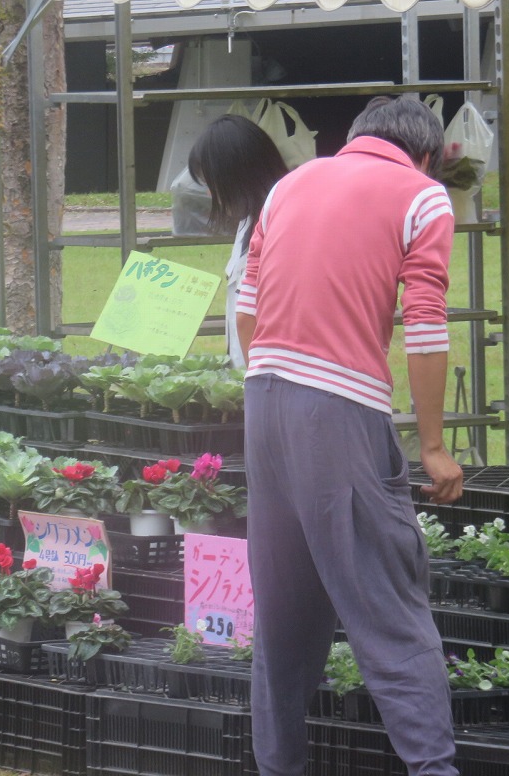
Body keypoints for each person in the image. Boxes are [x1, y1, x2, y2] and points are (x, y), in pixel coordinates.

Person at [236, 95, 464, 776]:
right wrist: (432, 446)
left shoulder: (290, 185)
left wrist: (277, 381)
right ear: (425, 155)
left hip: (264, 402)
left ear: (357, 139)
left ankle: (279, 767)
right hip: (339, 410)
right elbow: (425, 321)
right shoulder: (424, 198)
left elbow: (247, 306)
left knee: (282, 619)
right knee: (389, 606)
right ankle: (434, 770)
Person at [187, 114, 290, 367]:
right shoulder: (246, 221)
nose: (211, 193)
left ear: (236, 175)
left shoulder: (283, 224)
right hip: (249, 379)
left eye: (212, 182)